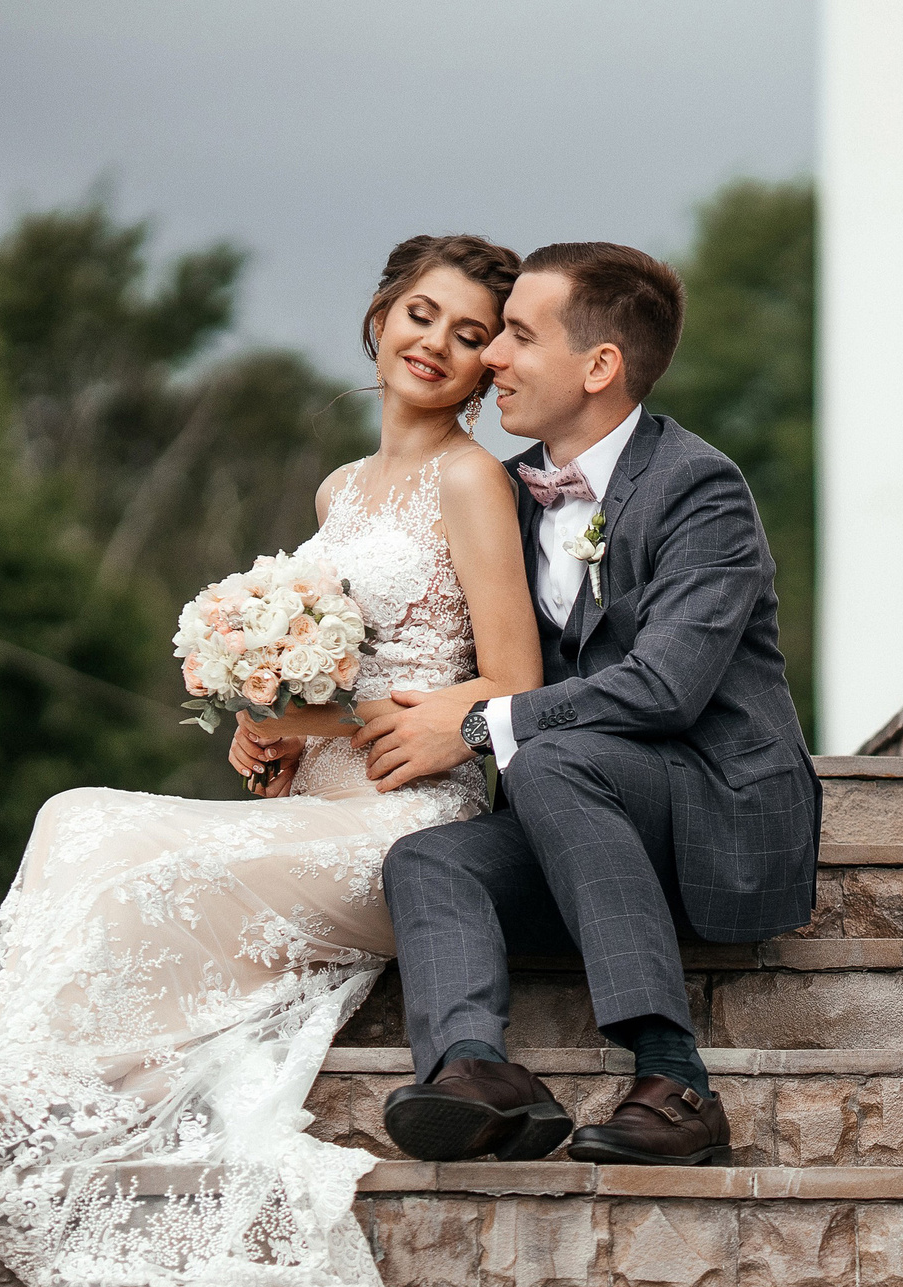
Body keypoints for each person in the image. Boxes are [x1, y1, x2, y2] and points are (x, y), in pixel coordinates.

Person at [0, 234, 538, 1287]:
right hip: (311, 800)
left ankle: (7, 1111)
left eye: (470, 335)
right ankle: (7, 1089)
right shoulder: (338, 491)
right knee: (75, 814)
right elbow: (327, 674)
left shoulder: (472, 481)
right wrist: (258, 720)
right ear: (380, 315)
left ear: (491, 365)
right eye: (421, 315)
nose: (436, 344)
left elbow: (512, 686)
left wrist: (320, 716)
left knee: (142, 857)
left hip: (406, 821)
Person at [344, 242, 819, 1169]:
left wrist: (481, 725)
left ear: (600, 367)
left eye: (518, 335)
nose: (492, 359)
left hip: (714, 819)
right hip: (581, 835)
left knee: (546, 753)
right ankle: (477, 1072)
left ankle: (675, 1078)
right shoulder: (508, 495)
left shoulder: (700, 489)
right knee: (429, 861)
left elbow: (665, 685)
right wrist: (293, 710)